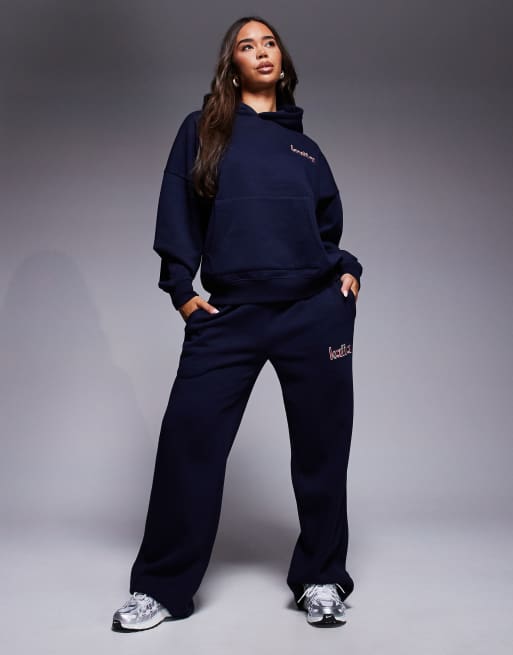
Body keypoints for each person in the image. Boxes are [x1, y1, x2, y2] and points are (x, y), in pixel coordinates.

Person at [112, 15, 363, 631]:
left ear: (283, 60)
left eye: (269, 43)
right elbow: (177, 209)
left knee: (323, 451)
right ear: (232, 66)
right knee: (188, 443)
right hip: (230, 315)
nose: (262, 52)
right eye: (248, 46)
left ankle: (322, 578)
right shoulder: (203, 129)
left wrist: (348, 272)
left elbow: (327, 233)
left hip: (312, 313)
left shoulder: (307, 149)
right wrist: (181, 290)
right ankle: (162, 588)